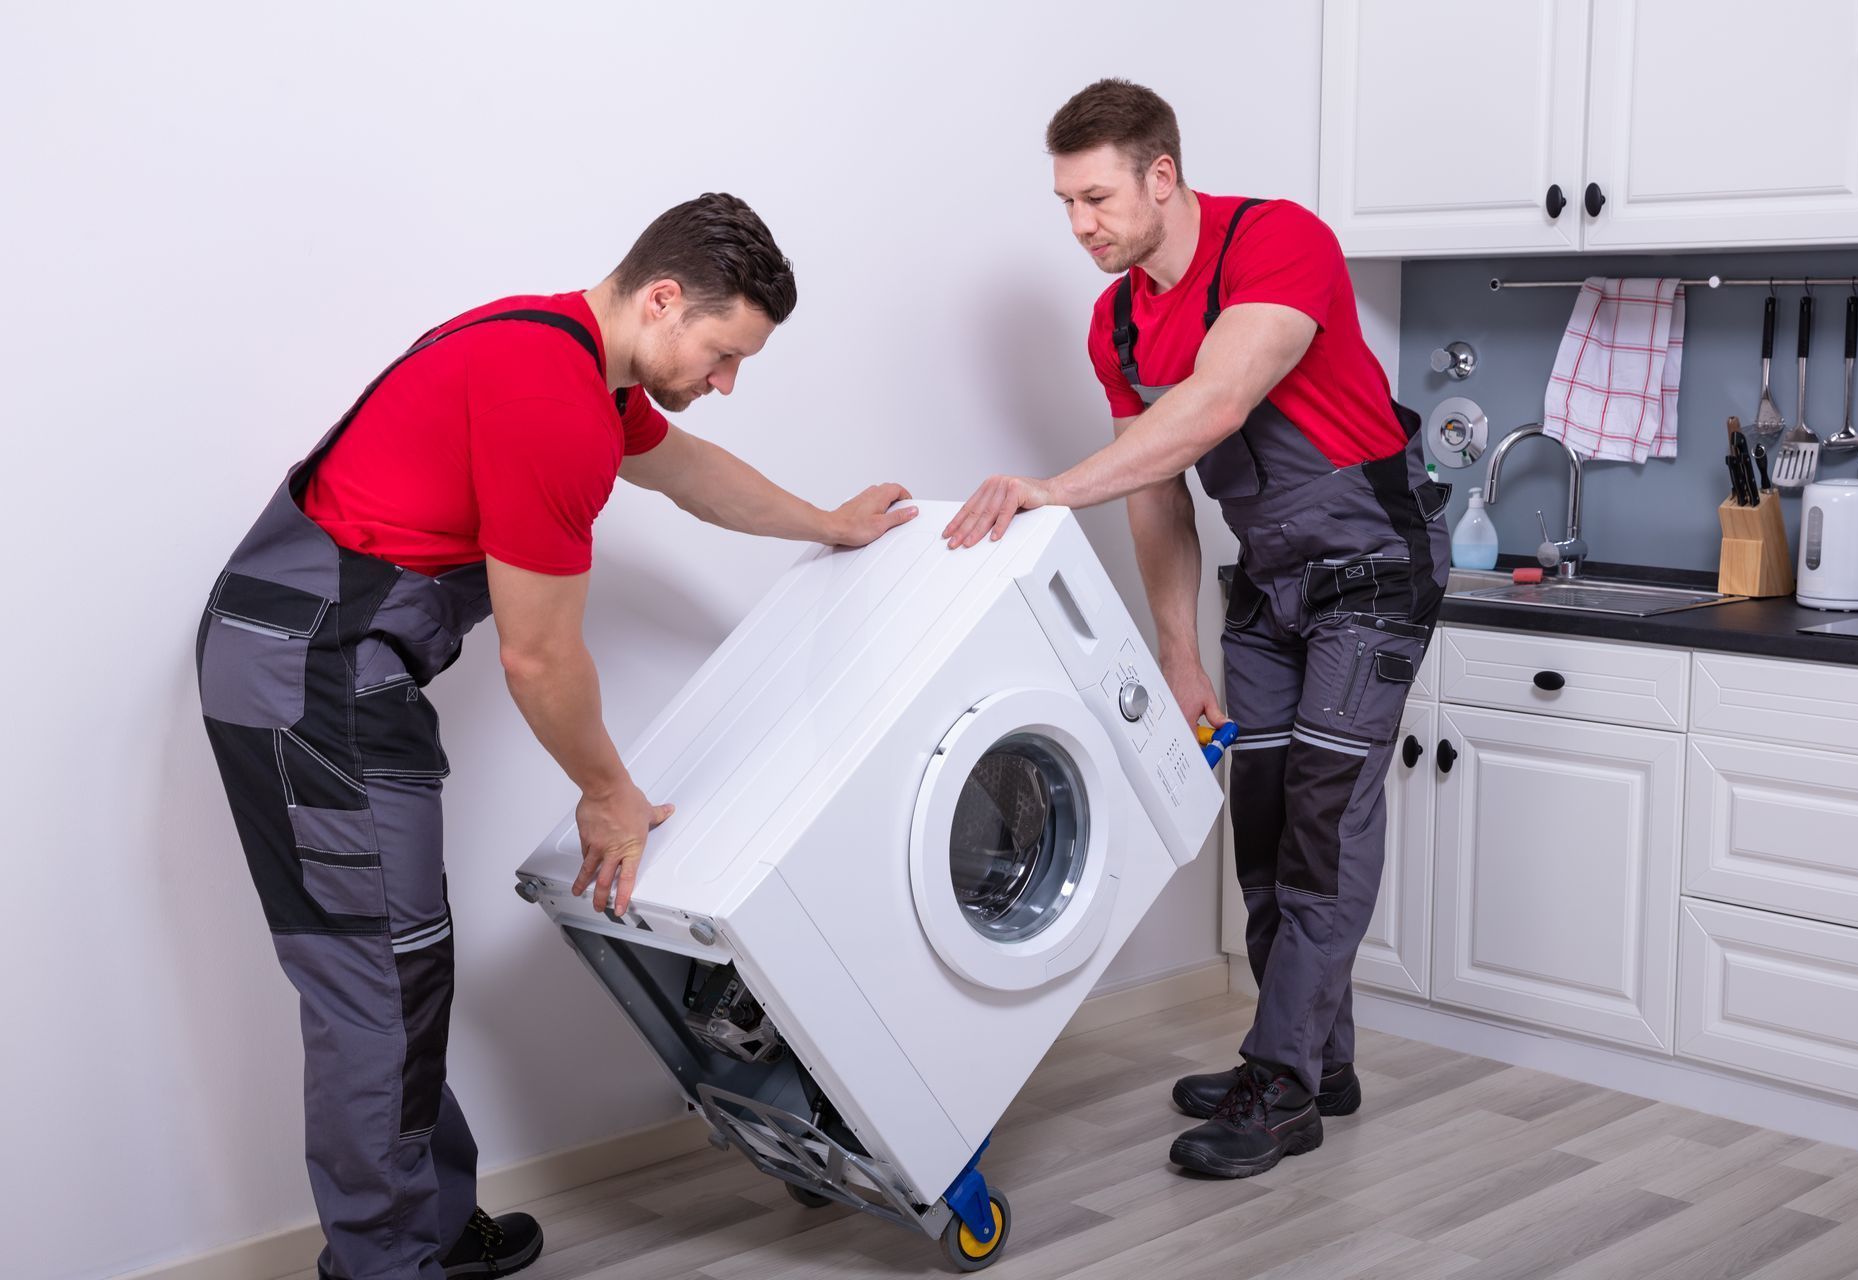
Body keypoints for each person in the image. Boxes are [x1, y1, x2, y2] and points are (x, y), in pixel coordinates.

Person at [196, 192, 915, 1277]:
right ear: (664, 298)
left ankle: (425, 1226)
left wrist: (827, 521)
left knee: (398, 965)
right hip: (313, 672)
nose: (726, 384)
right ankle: (387, 1263)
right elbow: (539, 656)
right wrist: (608, 791)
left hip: (320, 655)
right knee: (378, 979)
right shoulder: (553, 402)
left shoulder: (568, 348)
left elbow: (689, 475)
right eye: (724, 353)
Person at [945, 81, 1449, 1179]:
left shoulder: (1279, 241)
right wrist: (1175, 649)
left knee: (1323, 823)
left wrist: (1048, 489)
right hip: (1267, 588)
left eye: (1095, 197)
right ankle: (1319, 1057)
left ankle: (1282, 1088)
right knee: (1262, 825)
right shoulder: (1119, 317)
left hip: (1370, 576)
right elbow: (1159, 487)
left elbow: (1217, 404)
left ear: (1160, 177)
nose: (1080, 224)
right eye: (1065, 203)